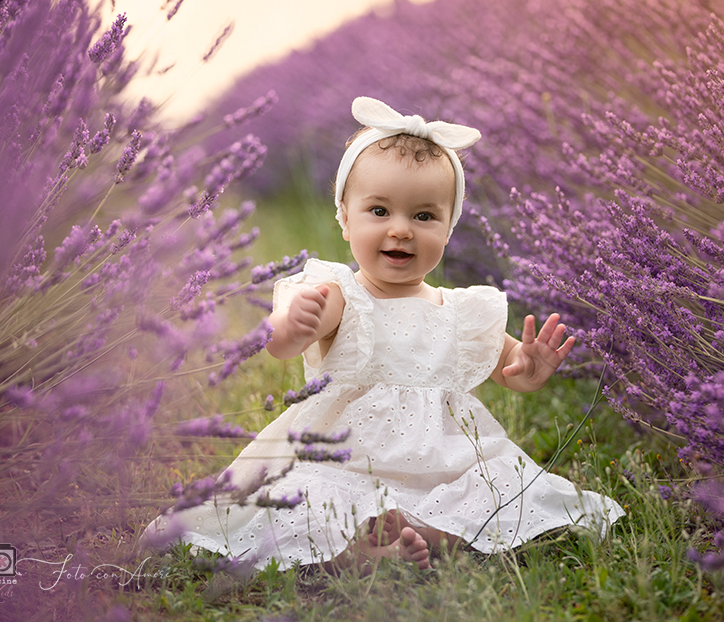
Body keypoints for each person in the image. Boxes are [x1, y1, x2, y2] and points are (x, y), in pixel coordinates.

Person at [142, 97, 624, 574]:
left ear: (449, 229)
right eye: (379, 211)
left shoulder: (459, 311)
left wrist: (528, 368)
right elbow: (280, 342)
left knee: (495, 487)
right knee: (310, 494)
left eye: (423, 216)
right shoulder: (340, 294)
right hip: (345, 459)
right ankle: (362, 550)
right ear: (345, 220)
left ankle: (433, 534)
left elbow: (507, 366)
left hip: (444, 464)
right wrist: (290, 325)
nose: (401, 230)